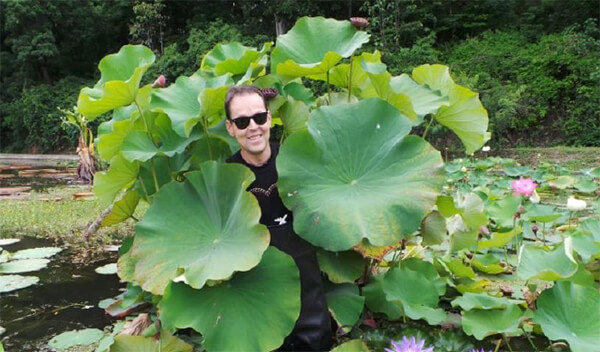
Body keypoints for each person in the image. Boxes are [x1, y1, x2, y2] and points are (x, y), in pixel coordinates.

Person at [225, 85, 332, 351]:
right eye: (242, 121)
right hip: (258, 291)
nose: (253, 127)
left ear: (269, 118)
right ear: (230, 128)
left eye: (259, 118)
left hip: (308, 287)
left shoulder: (295, 158)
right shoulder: (224, 177)